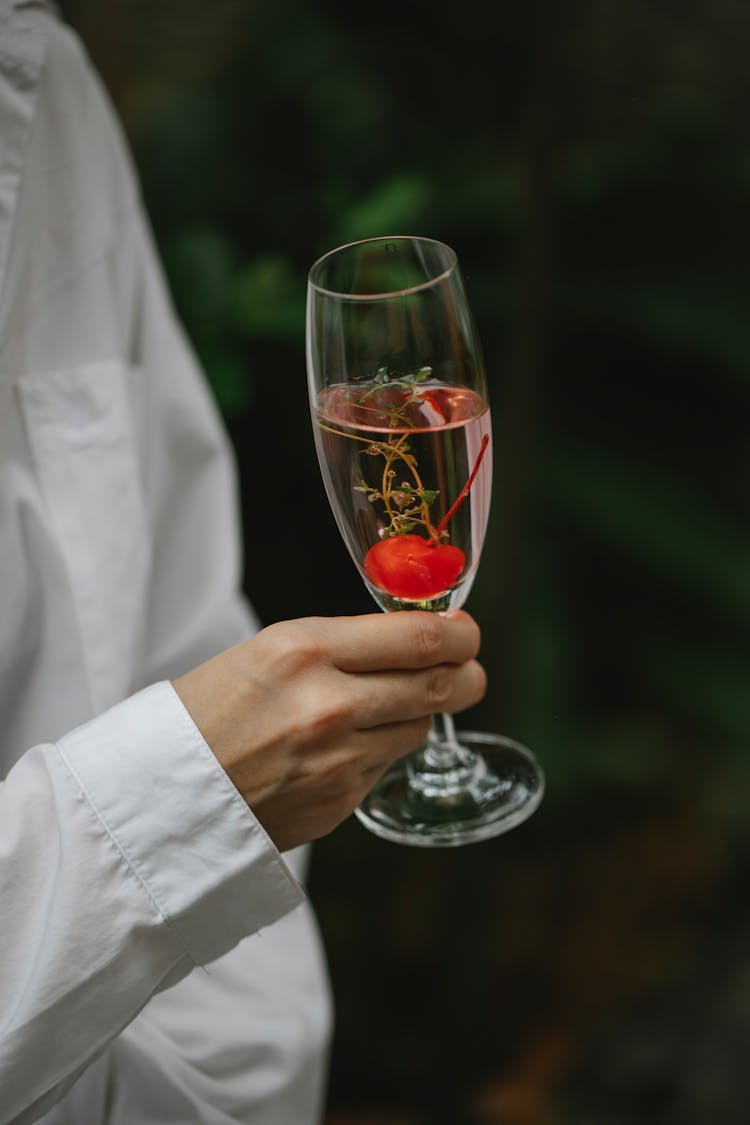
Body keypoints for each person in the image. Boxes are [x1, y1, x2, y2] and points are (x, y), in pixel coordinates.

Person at [0, 3, 487, 1123]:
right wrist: (183, 805)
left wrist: (244, 1048)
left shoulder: (42, 78)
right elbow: (198, 774)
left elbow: (182, 613)